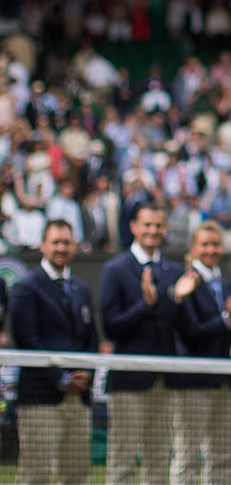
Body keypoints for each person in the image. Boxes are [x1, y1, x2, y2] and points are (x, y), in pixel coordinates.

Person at [10, 219, 99, 485]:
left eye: (66, 243)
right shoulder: (26, 287)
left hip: (78, 399)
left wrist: (87, 373)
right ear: (43, 246)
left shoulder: (81, 288)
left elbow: (91, 338)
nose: (61, 248)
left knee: (77, 475)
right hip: (41, 399)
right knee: (36, 475)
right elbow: (27, 339)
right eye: (56, 242)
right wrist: (61, 378)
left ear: (74, 246)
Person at [99, 203, 182, 485]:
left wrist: (180, 300)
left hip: (165, 381)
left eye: (158, 225)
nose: (153, 231)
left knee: (159, 459)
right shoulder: (115, 269)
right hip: (128, 380)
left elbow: (181, 325)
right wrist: (145, 305)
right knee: (122, 461)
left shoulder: (175, 271)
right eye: (147, 225)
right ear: (134, 227)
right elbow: (111, 326)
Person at [170, 222, 231, 485]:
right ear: (193, 248)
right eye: (205, 244)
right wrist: (227, 317)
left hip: (224, 381)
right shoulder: (186, 282)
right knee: (188, 454)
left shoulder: (225, 284)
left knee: (222, 455)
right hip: (194, 382)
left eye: (215, 244)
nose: (211, 249)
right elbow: (191, 333)